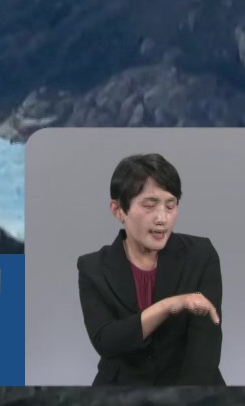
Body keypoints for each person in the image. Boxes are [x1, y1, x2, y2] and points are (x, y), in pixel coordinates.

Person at [75, 153, 225, 385]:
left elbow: (205, 346)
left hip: (191, 391)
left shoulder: (201, 254)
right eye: (149, 206)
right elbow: (106, 341)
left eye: (170, 205)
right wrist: (170, 305)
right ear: (118, 210)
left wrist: (184, 405)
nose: (162, 219)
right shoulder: (92, 268)